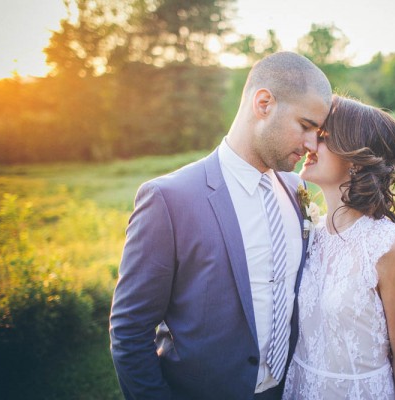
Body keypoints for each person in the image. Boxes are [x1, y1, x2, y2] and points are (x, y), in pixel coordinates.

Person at [109, 51, 332, 399]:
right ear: (263, 103)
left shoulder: (295, 189)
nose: (311, 145)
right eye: (305, 126)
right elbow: (129, 332)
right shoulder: (168, 199)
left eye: (317, 132)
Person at [283, 95, 395, 399]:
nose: (309, 144)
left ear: (356, 160)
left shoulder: (390, 248)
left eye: (323, 137)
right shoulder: (309, 235)